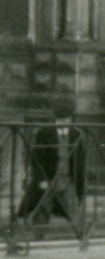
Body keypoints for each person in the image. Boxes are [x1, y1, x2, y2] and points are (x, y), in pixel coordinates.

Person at [16, 97, 86, 234]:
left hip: (67, 179)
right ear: (56, 119)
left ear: (71, 118)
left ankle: (83, 238)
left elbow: (80, 160)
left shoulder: (76, 134)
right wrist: (41, 179)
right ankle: (38, 236)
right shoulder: (44, 133)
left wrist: (79, 179)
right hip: (48, 178)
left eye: (67, 119)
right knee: (43, 208)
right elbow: (36, 159)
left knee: (74, 208)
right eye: (61, 120)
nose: (64, 123)